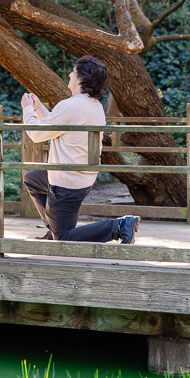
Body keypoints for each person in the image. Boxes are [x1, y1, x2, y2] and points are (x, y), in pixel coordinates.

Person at [20, 56, 140, 244]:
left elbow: (36, 134)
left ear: (81, 79)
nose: (69, 74)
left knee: (64, 238)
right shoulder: (93, 106)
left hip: (66, 182)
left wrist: (27, 110)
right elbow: (59, 125)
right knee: (33, 179)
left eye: (73, 72)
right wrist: (39, 108)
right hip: (80, 176)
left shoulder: (71, 105)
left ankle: (119, 226)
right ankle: (53, 228)